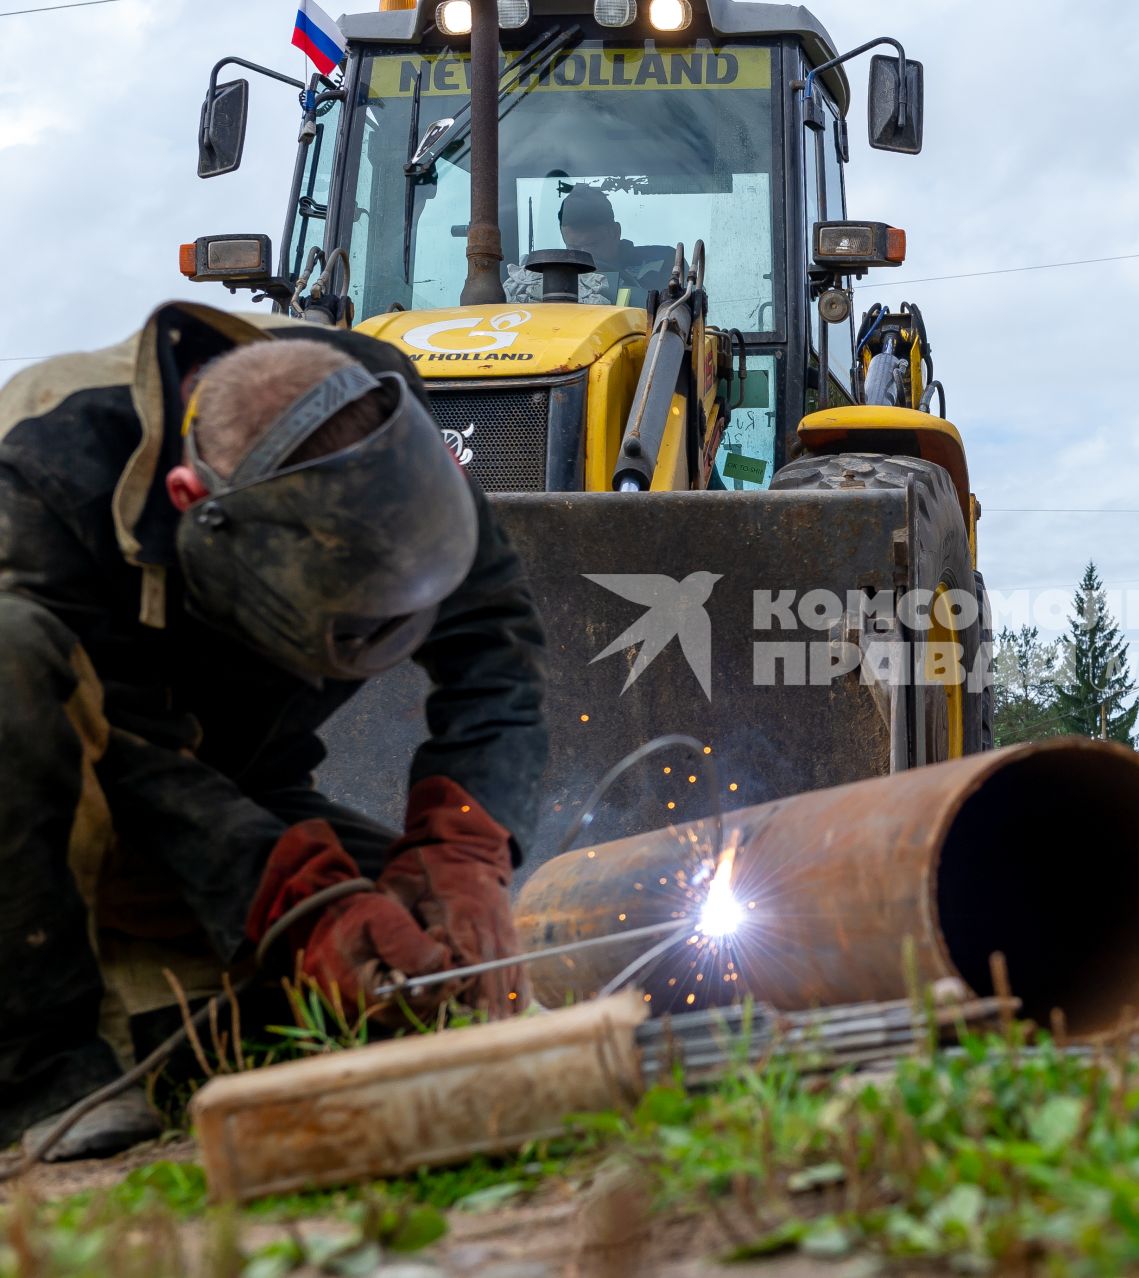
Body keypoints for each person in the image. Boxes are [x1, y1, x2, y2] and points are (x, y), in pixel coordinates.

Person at [0, 302, 549, 1160]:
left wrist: (462, 848)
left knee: (428, 973)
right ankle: (34, 1072)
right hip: (70, 815)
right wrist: (304, 902)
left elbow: (496, 646)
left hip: (237, 788)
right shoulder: (44, 474)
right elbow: (136, 766)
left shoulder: (377, 422)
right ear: (195, 505)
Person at [506, 184, 674, 306]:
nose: (583, 255)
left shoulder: (661, 265)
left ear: (616, 232)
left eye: (593, 245)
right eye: (573, 247)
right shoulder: (537, 275)